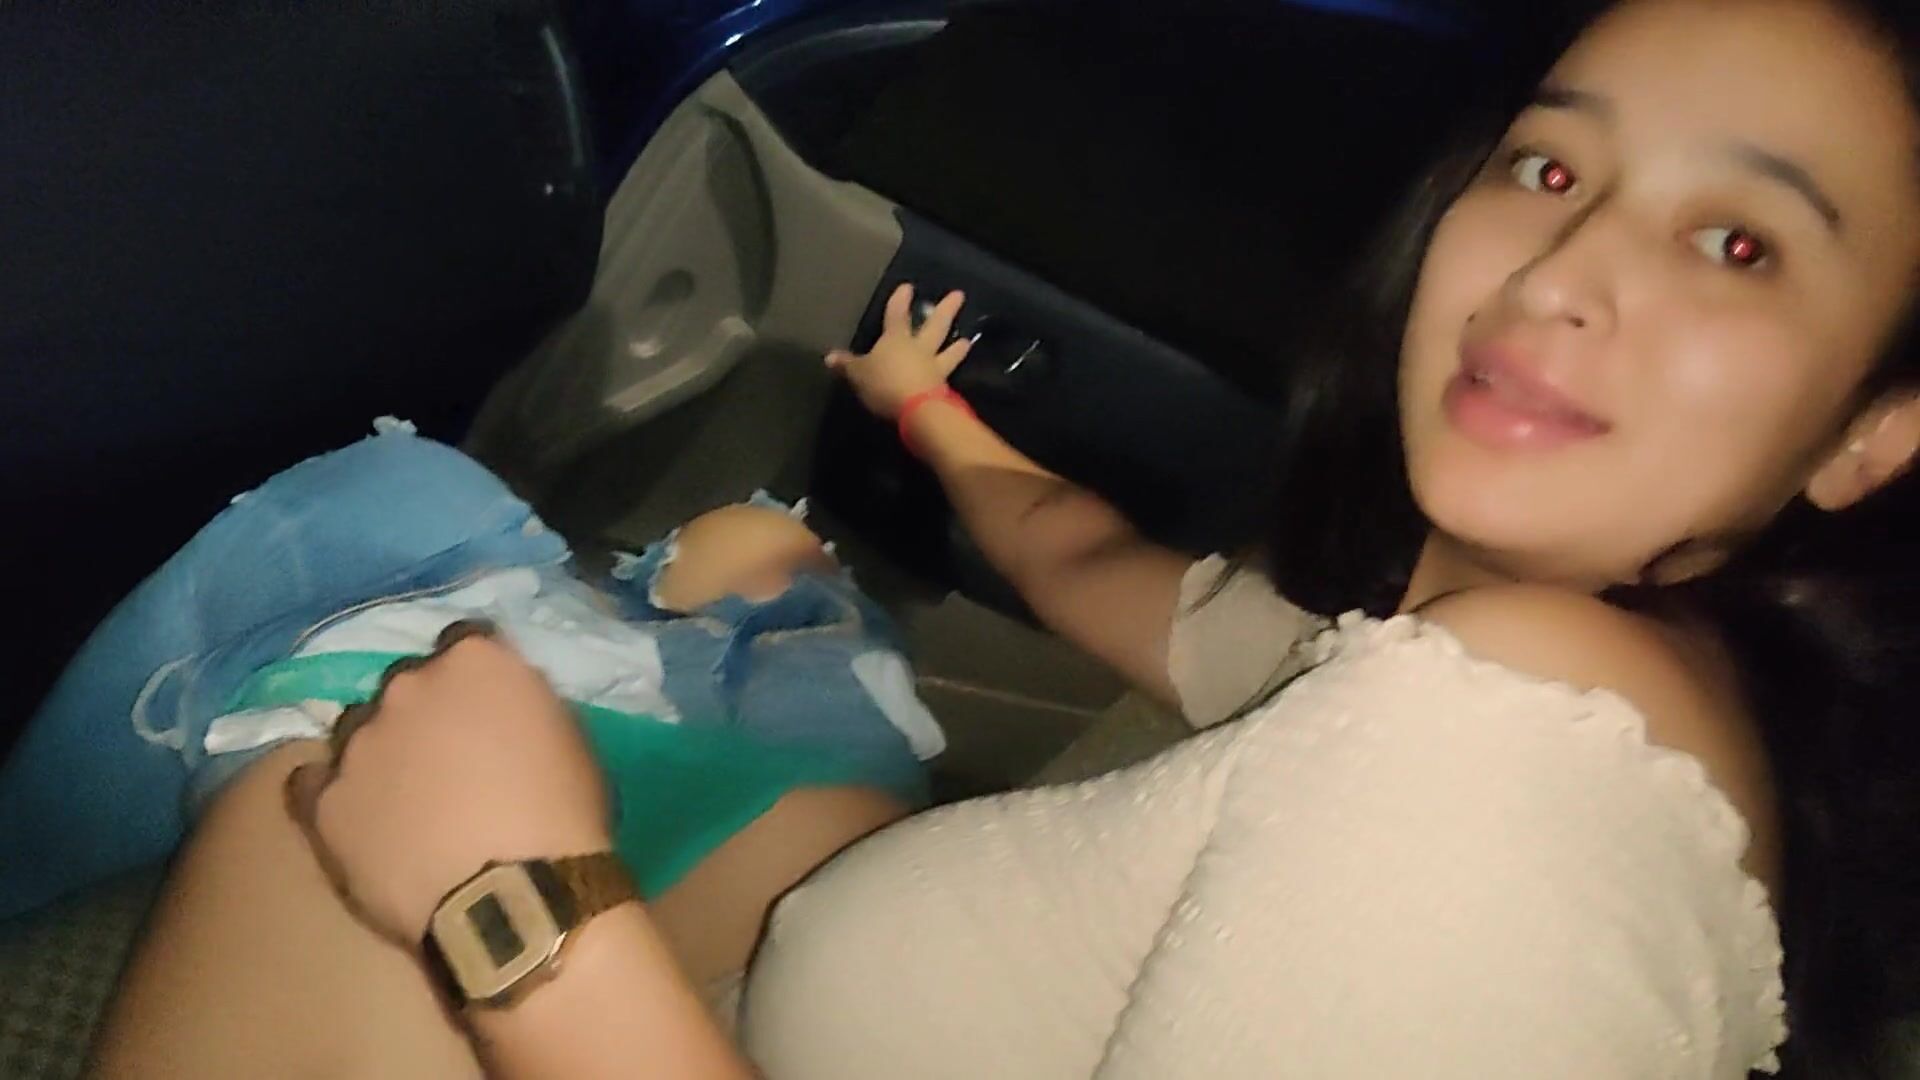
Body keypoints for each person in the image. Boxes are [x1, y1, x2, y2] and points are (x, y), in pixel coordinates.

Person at [81, 0, 1920, 1075]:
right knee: (725, 626)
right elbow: (1097, 572)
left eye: (1739, 243)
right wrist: (929, 414)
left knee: (303, 807)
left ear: (1873, 430)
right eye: (1550, 165)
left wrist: (520, 910)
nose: (1563, 268)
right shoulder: (1496, 657)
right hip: (794, 994)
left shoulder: (1518, 758)